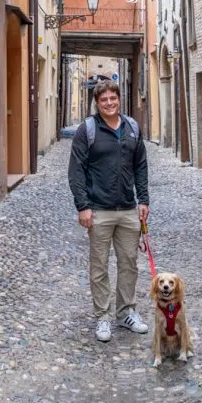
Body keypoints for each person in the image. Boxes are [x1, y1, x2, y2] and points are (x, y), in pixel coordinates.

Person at [67, 79, 150, 342]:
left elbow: (141, 166)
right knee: (99, 266)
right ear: (97, 103)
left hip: (127, 209)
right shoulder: (87, 130)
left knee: (129, 264)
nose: (109, 103)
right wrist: (83, 206)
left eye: (113, 98)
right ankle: (102, 316)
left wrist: (143, 200)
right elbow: (76, 170)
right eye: (104, 100)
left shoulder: (132, 128)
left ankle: (126, 312)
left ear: (118, 99)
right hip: (99, 210)